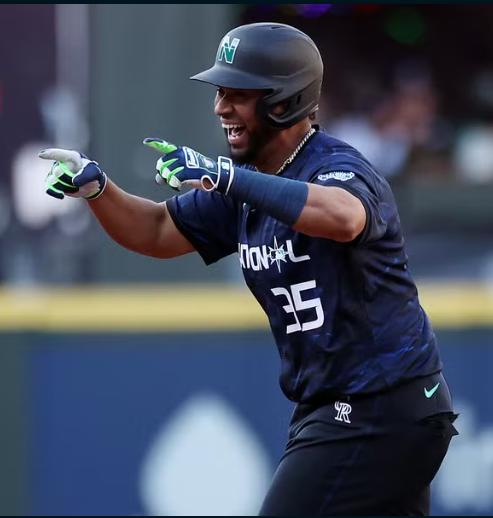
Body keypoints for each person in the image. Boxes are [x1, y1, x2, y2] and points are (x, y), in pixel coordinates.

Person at [38, 22, 458, 516]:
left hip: (378, 405)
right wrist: (98, 189)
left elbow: (345, 216)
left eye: (237, 95)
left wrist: (225, 177)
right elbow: (155, 230)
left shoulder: (334, 165)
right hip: (355, 407)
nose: (220, 108)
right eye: (220, 93)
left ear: (284, 101)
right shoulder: (246, 183)